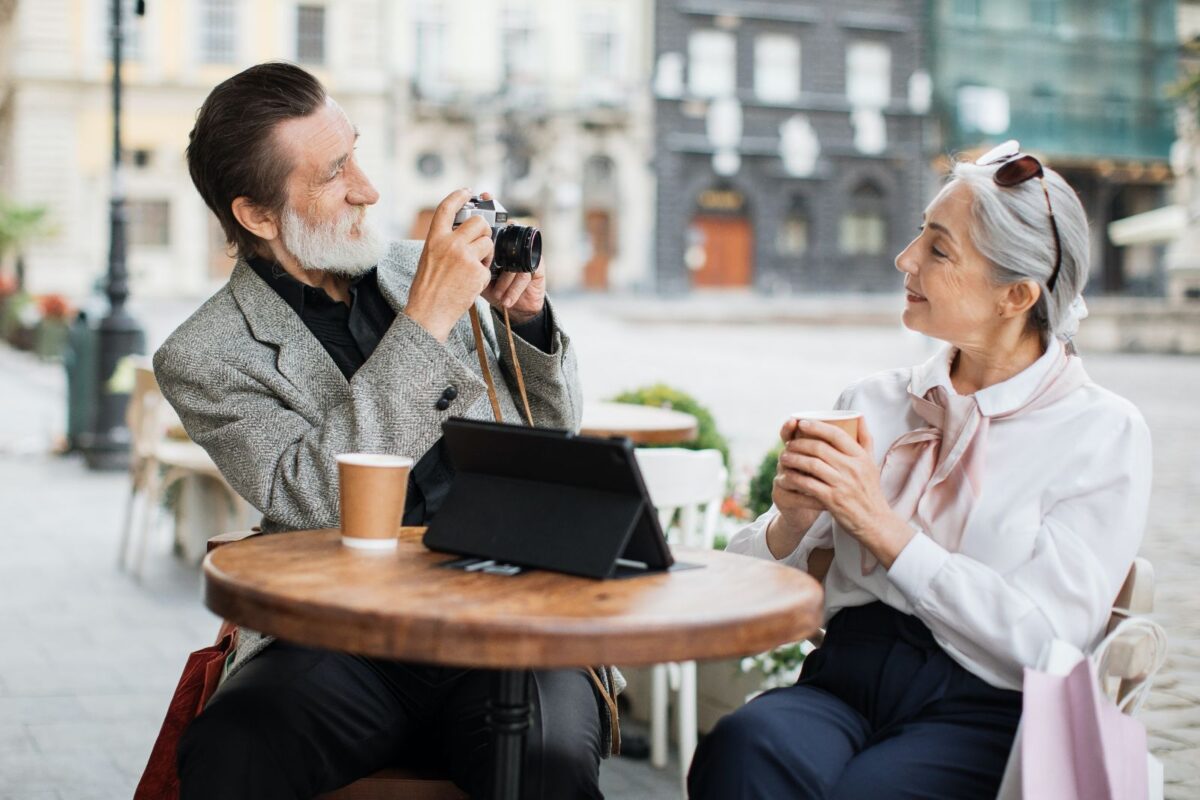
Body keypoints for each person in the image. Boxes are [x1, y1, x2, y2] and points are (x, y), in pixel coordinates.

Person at [153, 62, 606, 799]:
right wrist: (426, 322)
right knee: (234, 745)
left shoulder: (419, 268)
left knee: (545, 763)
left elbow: (551, 437)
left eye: (356, 152)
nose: (370, 188)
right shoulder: (203, 356)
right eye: (336, 173)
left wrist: (526, 323)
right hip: (340, 637)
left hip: (503, 618)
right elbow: (313, 499)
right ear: (260, 217)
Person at [688, 141, 1152, 799]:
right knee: (742, 749)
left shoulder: (1102, 433)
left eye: (938, 249)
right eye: (918, 235)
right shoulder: (872, 402)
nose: (904, 259)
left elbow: (1048, 639)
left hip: (988, 707)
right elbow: (754, 584)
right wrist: (786, 525)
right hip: (841, 680)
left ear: (1015, 295)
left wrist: (885, 531)